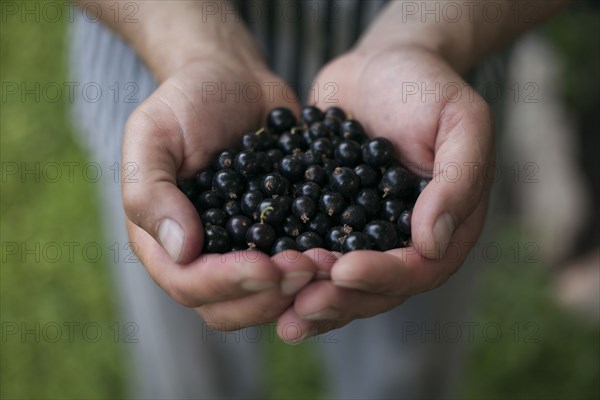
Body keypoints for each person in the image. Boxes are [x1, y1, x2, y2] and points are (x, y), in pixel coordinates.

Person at [70, 1, 569, 398]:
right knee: (188, 363)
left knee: (404, 358)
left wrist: (430, 38)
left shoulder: (403, 156)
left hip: (424, 120)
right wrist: (194, 49)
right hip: (173, 92)